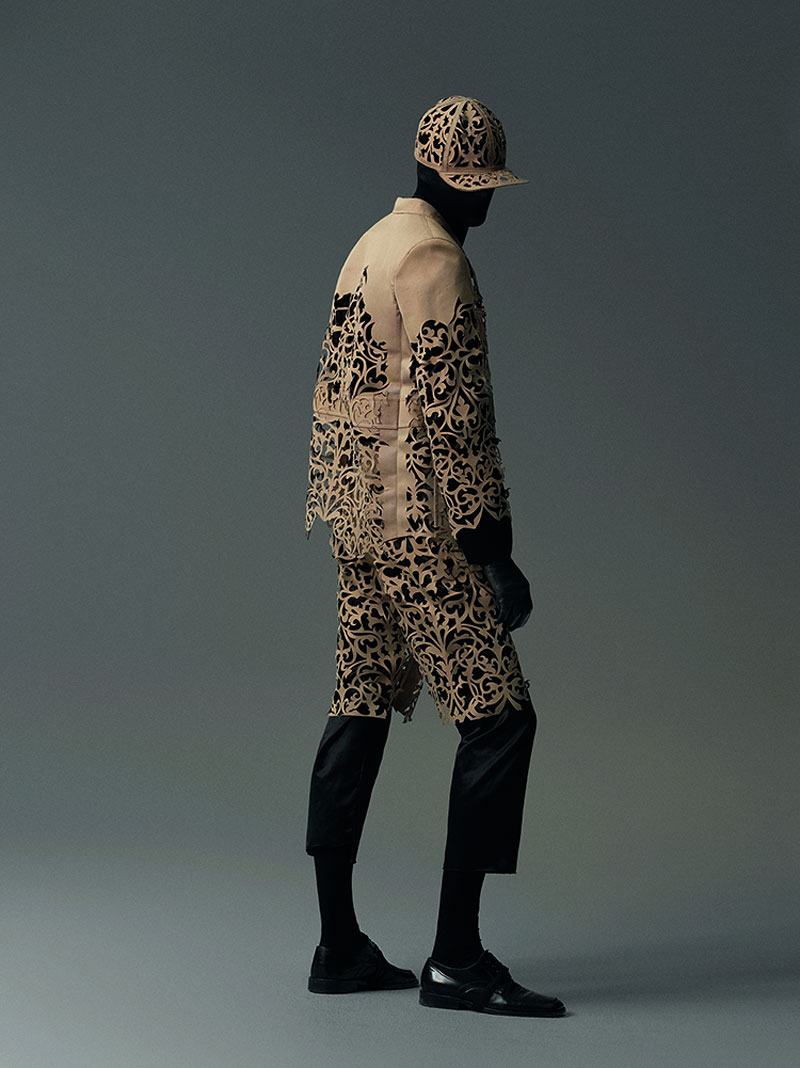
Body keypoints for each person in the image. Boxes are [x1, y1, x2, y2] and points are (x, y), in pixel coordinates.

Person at [303, 95, 566, 1017]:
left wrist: (345, 511)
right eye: (478, 184)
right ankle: (455, 957)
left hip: (355, 519)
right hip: (423, 527)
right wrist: (493, 551)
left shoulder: (365, 246)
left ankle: (338, 945)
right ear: (451, 179)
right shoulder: (439, 261)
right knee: (499, 721)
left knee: (358, 708)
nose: (485, 201)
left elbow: (335, 389)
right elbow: (458, 419)